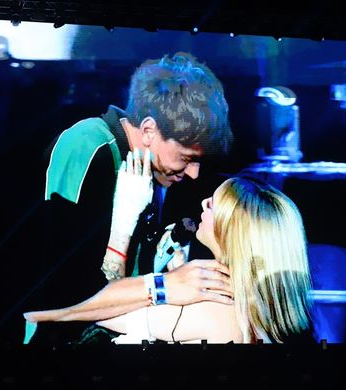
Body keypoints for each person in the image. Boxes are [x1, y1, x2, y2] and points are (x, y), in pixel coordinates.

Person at [31, 51, 234, 345]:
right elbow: (62, 293)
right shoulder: (88, 147)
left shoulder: (154, 169)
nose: (193, 173)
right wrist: (164, 286)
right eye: (187, 158)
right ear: (149, 130)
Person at [25, 176, 315, 344]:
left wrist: (124, 227)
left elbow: (81, 309)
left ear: (232, 230)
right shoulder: (257, 308)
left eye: (214, 204)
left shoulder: (215, 307)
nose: (204, 203)